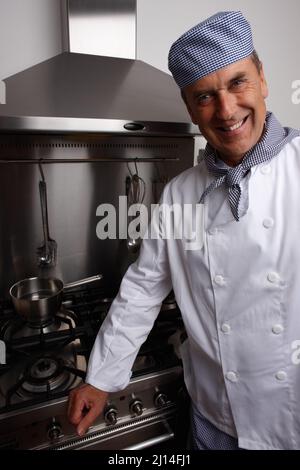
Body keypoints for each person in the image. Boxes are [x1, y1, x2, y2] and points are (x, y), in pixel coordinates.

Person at [68, 11, 300, 450]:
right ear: (190, 108)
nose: (227, 110)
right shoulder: (179, 194)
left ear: (263, 79)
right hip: (215, 418)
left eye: (238, 82)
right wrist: (100, 377)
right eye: (205, 96)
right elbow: (143, 289)